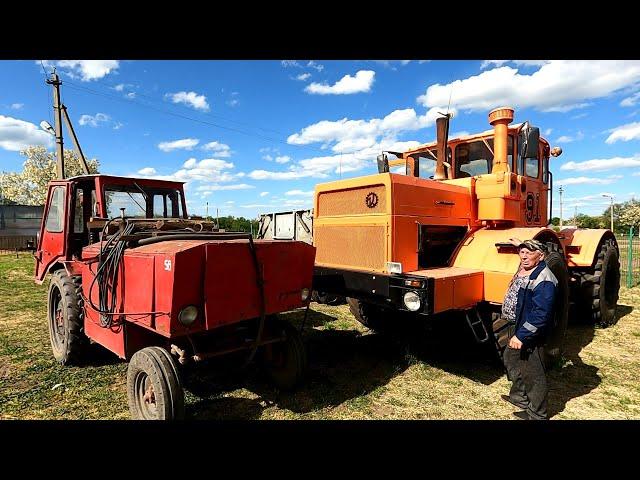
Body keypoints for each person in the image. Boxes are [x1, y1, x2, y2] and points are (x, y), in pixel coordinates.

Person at [499, 238, 558, 420]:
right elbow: (525, 257)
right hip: (516, 323)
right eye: (521, 252)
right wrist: (522, 246)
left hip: (529, 331)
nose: (524, 256)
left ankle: (537, 414)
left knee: (532, 371)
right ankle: (519, 398)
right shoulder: (527, 267)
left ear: (541, 257)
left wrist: (522, 336)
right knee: (511, 358)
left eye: (529, 253)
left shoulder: (544, 279)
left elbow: (541, 314)